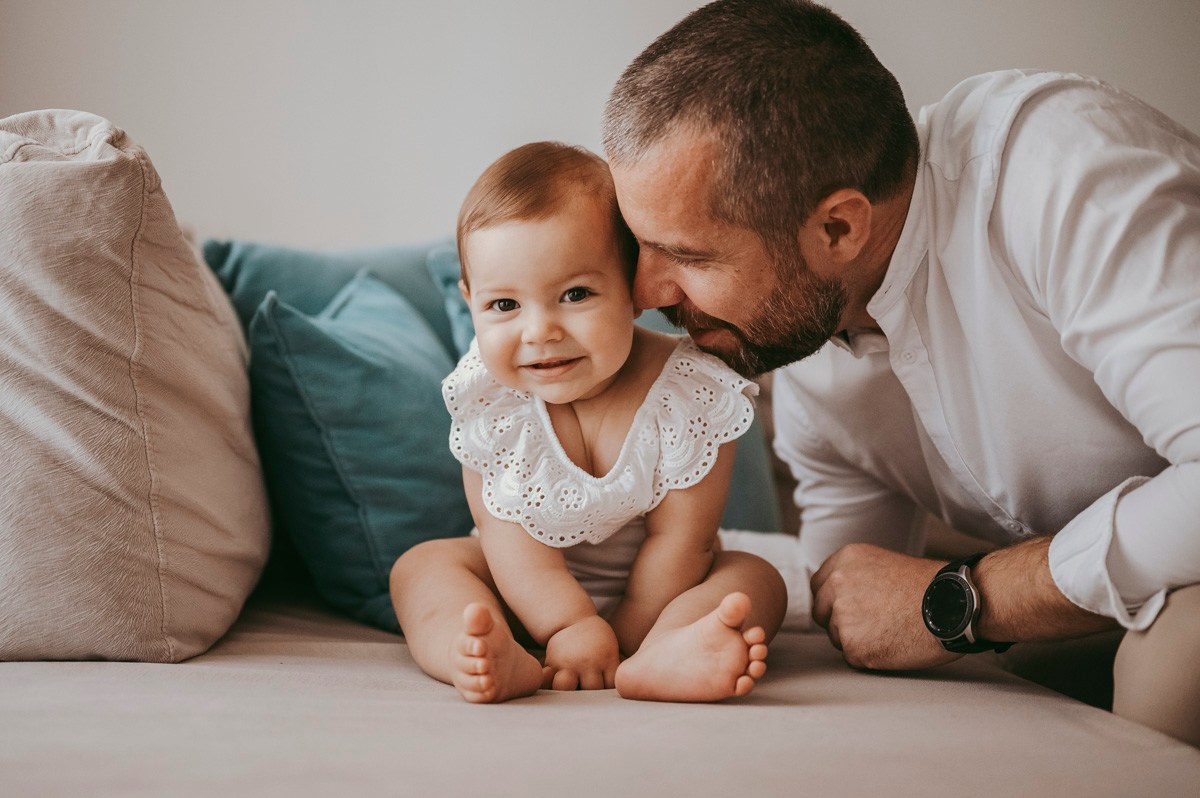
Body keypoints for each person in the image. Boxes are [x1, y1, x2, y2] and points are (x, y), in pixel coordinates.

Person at [601, 0, 1200, 745]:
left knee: (1187, 642)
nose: (643, 295)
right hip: (1098, 606)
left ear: (839, 228)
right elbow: (859, 606)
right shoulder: (810, 341)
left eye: (688, 256)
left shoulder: (1065, 176)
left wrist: (970, 598)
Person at [389, 141, 787, 704]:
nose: (539, 331)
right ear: (470, 299)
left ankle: (666, 654)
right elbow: (506, 538)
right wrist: (567, 626)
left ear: (633, 289)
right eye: (504, 305)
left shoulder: (690, 390)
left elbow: (684, 541)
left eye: (575, 294)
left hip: (662, 596)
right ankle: (478, 651)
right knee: (422, 566)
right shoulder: (491, 400)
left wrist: (628, 635)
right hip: (521, 594)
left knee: (757, 579)